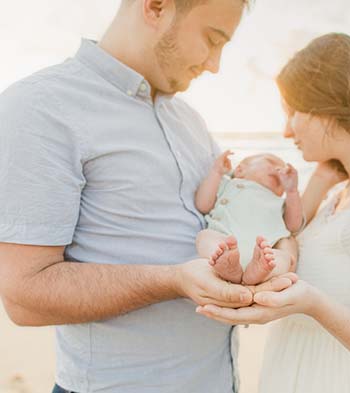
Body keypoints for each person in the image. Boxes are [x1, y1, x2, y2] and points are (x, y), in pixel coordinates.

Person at [0, 1, 300, 392]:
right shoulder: (39, 108)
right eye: (213, 39)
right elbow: (25, 296)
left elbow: (237, 215)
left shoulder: (190, 121)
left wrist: (281, 254)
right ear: (157, 7)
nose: (215, 65)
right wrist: (173, 280)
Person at [197, 33, 350, 392]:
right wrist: (320, 178)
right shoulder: (344, 188)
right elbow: (291, 236)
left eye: (292, 113)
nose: (286, 131)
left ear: (327, 108)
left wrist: (313, 304)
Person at [196, 151, 303, 285]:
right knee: (204, 237)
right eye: (271, 162)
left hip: (264, 252)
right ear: (240, 170)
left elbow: (293, 226)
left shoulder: (279, 201)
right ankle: (228, 266)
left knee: (285, 255)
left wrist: (292, 191)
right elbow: (203, 204)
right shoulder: (228, 184)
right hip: (226, 244)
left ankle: (261, 273)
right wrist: (216, 172)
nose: (279, 169)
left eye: (282, 168)